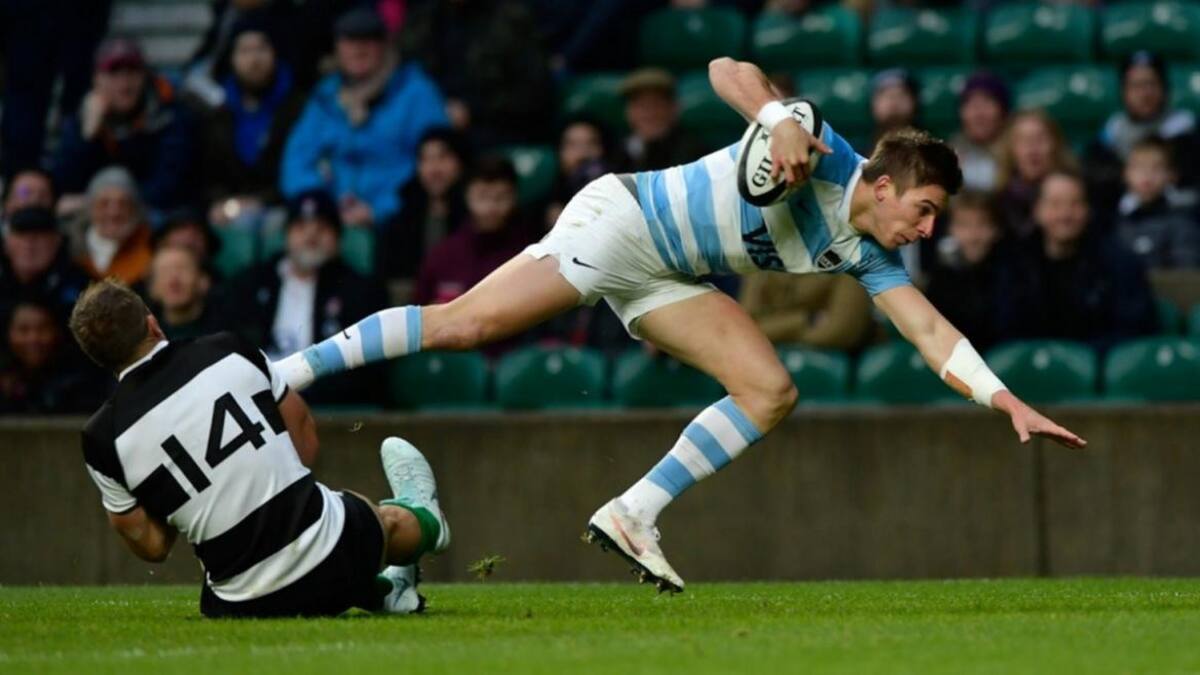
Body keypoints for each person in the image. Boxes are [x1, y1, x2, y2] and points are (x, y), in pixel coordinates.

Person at [274, 57, 1085, 593]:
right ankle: (286, 373)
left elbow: (931, 333)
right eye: (925, 209)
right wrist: (777, 117)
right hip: (620, 222)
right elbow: (725, 68)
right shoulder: (820, 145)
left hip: (669, 274)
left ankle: (633, 512)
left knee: (770, 390)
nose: (929, 230)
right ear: (881, 184)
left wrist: (1003, 398)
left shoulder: (871, 255)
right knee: (464, 325)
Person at [69, 279, 450, 617]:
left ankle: (389, 592)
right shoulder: (227, 348)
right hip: (335, 552)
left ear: (98, 359)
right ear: (152, 323)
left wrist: (174, 498)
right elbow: (305, 436)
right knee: (380, 520)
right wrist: (275, 485)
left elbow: (152, 547)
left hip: (239, 603)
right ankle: (427, 519)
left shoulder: (100, 440)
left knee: (308, 546)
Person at [280, 7, 449, 231]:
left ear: (385, 45)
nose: (358, 49)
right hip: (330, 218)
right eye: (349, 41)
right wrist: (322, 204)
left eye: (368, 40)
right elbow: (296, 160)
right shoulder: (325, 95)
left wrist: (380, 209)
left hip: (399, 220)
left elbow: (436, 164)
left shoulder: (416, 92)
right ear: (337, 47)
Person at [225, 189, 389, 406]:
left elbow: (367, 369)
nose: (311, 236)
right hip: (258, 399)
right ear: (286, 236)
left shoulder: (360, 290)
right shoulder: (250, 283)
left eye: (322, 228)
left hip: (324, 404)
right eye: (301, 227)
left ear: (338, 239)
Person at [996, 171, 1158, 353]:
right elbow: (1005, 330)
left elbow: (1134, 329)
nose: (1065, 215)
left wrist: (1079, 359)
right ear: (1037, 211)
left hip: (1098, 368)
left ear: (1088, 210)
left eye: (1075, 204)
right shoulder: (1015, 263)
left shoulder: (1120, 262)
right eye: (1055, 204)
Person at [53, 38, 197, 217]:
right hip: (98, 217)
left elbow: (168, 188)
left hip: (154, 214)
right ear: (97, 79)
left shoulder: (171, 116)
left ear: (144, 76)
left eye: (132, 72)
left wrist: (95, 203)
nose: (124, 82)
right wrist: (87, 135)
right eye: (114, 73)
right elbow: (63, 184)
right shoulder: (81, 118)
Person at [201, 17, 307, 230]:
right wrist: (223, 203)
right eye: (245, 50)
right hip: (229, 210)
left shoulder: (299, 107)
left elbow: (299, 166)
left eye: (261, 48)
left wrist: (262, 201)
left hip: (282, 207)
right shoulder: (216, 111)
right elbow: (207, 173)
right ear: (231, 58)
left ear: (275, 53)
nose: (254, 59)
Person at [402, 0, 553, 148]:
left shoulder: (511, 18)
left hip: (499, 132)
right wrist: (438, 108)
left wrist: (473, 110)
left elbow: (534, 90)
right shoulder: (423, 21)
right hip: (435, 133)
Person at [414, 157, 535, 306]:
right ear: (467, 196)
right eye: (482, 197)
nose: (491, 207)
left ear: (514, 197)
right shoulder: (443, 255)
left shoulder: (528, 255)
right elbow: (421, 314)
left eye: (501, 197)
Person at [378, 128, 470, 282]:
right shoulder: (400, 223)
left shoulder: (475, 218)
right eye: (425, 159)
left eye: (443, 157)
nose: (434, 169)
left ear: (460, 162)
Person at [924, 191, 1009, 353]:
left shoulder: (1013, 277)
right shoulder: (941, 279)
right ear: (951, 230)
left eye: (982, 224)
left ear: (996, 230)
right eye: (964, 225)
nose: (973, 236)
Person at [0, 296, 108, 414]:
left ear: (57, 333)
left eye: (42, 329)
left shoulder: (80, 382)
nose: (33, 338)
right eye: (23, 330)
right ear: (8, 334)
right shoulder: (5, 381)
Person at [1114, 137, 1200, 270]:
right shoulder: (1113, 220)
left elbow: (1186, 273)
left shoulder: (1183, 221)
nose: (1147, 175)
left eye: (1157, 168)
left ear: (1172, 175)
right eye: (1138, 167)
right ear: (1125, 173)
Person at [0, 207, 90, 326]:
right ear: (7, 243)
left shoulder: (81, 287)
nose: (29, 245)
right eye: (21, 235)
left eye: (38, 236)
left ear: (56, 241)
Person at [995, 110, 1078, 238]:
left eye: (1040, 139)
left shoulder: (1078, 190)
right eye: (1023, 140)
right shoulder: (998, 203)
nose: (1032, 148)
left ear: (1055, 144)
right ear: (1010, 149)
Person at [738, 272, 873, 351]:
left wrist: (770, 328)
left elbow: (840, 331)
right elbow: (743, 330)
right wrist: (807, 319)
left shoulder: (850, 258)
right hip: (769, 362)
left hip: (841, 364)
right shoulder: (761, 258)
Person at [66, 167, 153, 285]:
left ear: (135, 210)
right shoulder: (68, 249)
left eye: (123, 204)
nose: (114, 213)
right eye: (104, 203)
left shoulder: (150, 249)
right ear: (90, 209)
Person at [619, 68, 707, 171]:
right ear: (628, 111)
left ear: (674, 108)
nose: (648, 114)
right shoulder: (618, 149)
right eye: (640, 106)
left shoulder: (692, 152)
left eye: (656, 105)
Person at [546, 117, 620, 231]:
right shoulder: (545, 205)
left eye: (592, 143)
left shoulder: (622, 197)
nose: (583, 153)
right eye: (572, 145)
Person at [949, 72, 1010, 193]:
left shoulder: (1017, 153)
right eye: (971, 104)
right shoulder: (950, 153)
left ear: (1003, 111)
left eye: (987, 102)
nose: (979, 114)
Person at [147, 245, 220, 341]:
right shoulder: (143, 337)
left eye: (182, 269)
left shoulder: (228, 334)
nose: (173, 281)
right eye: (164, 271)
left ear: (203, 281)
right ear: (152, 287)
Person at [869, 68, 920, 151]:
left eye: (901, 94)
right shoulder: (856, 156)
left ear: (915, 101)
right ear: (873, 104)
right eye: (885, 95)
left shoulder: (932, 150)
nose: (894, 101)